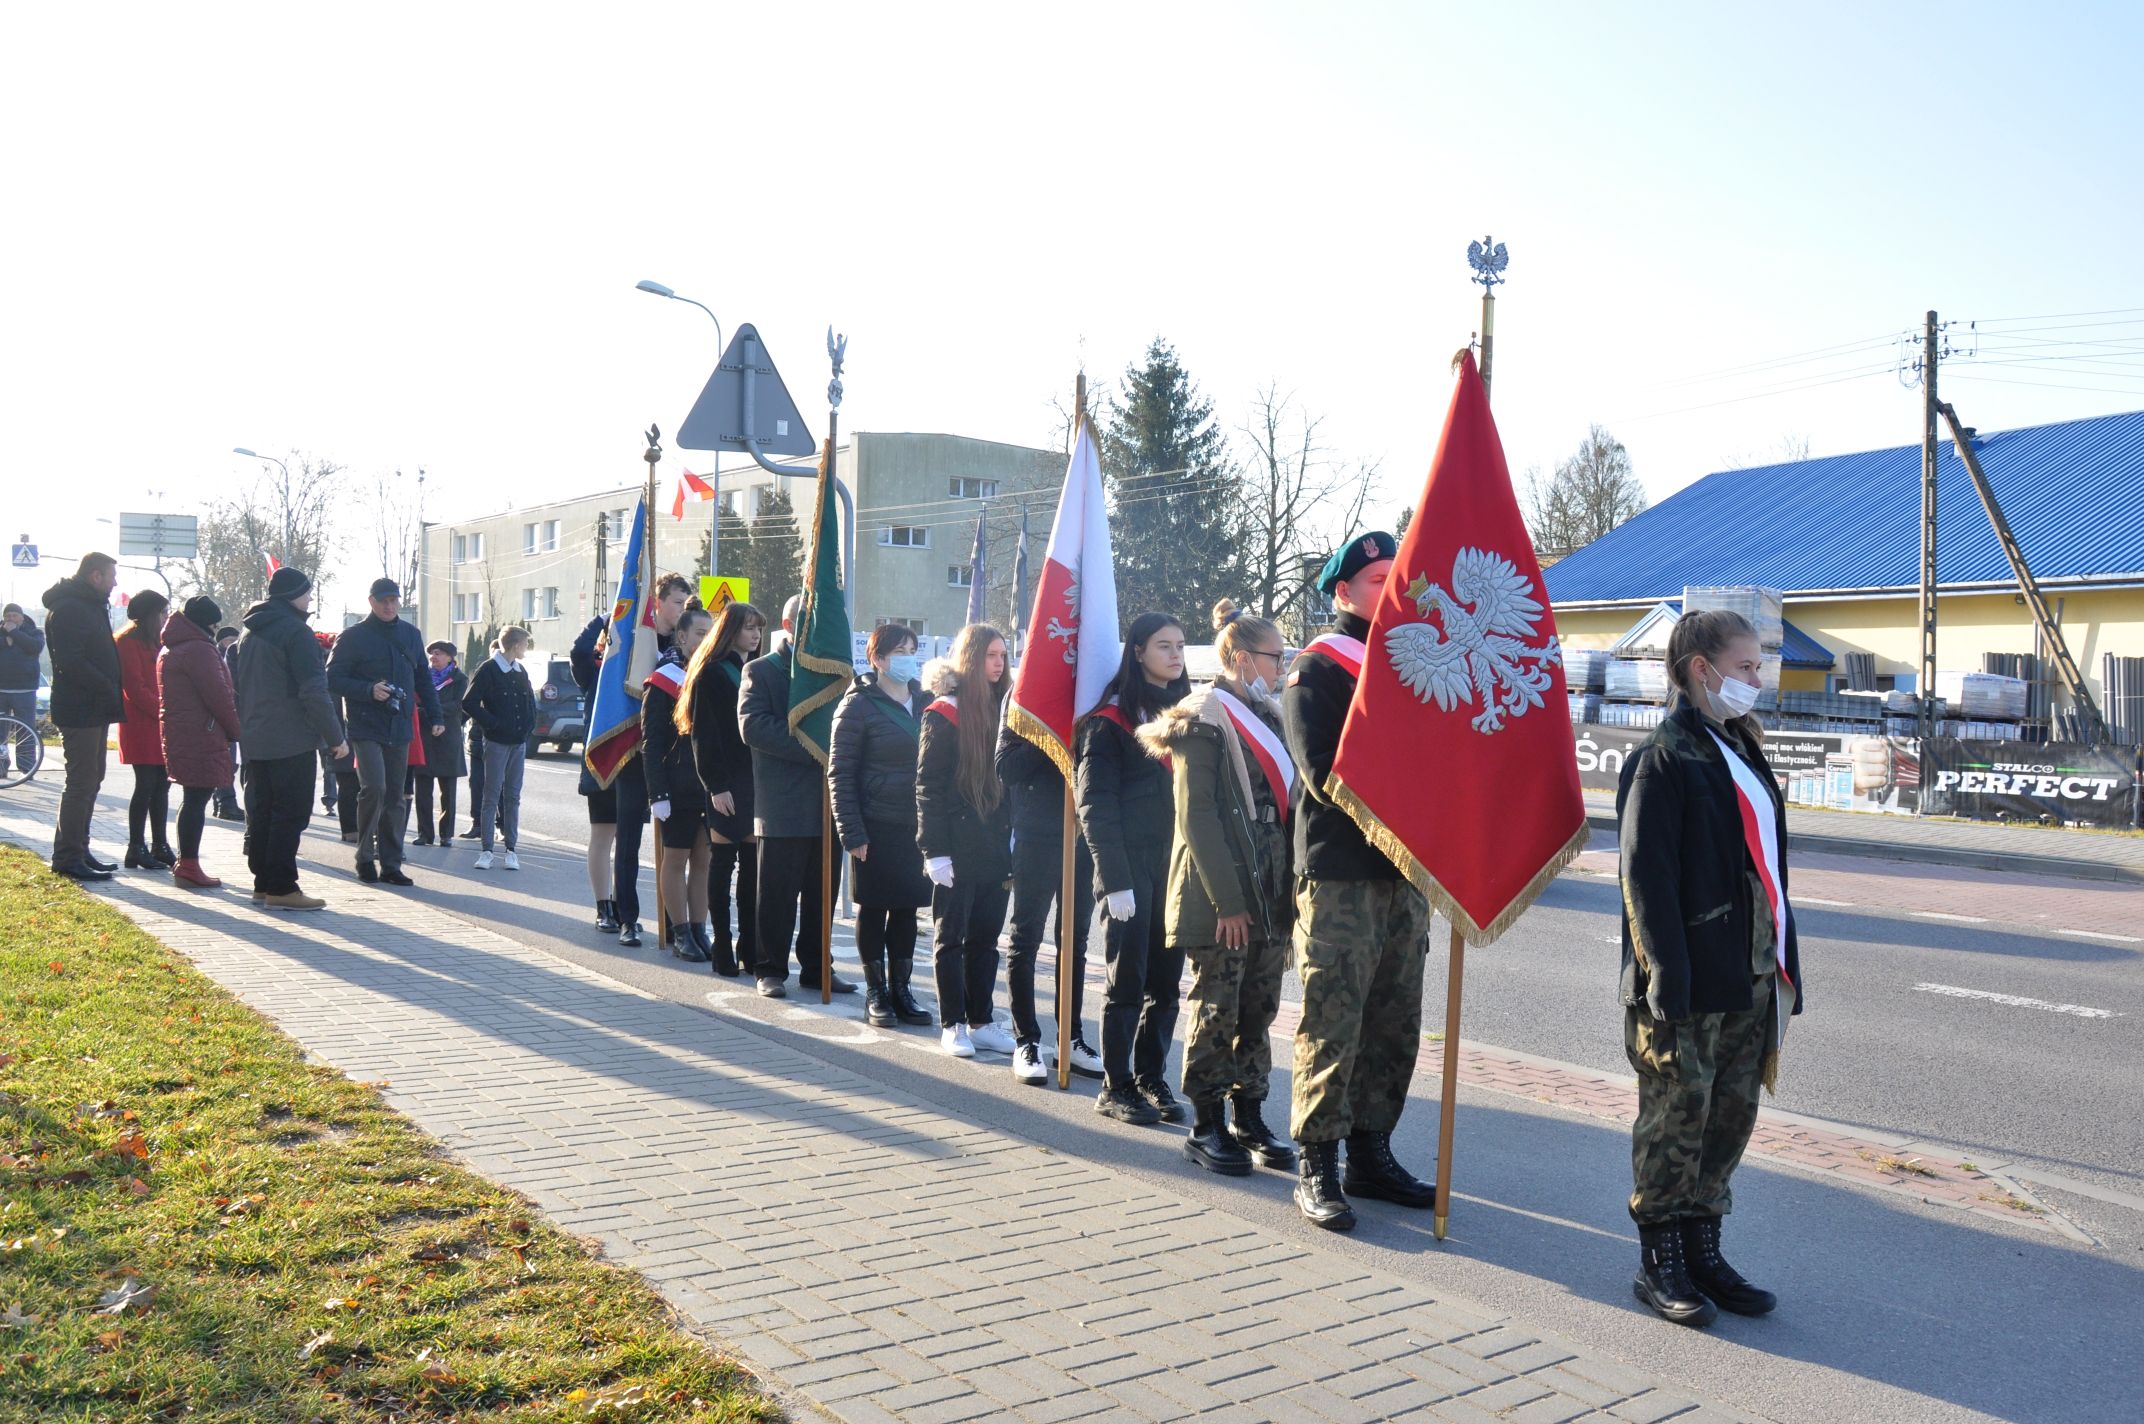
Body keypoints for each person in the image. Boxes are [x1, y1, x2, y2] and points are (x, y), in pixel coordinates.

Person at [1619, 608, 1801, 1328]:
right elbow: (1646, 878)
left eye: (1759, 667)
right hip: (1686, 983)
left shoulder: (1740, 748)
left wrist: (1784, 963)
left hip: (1750, 975)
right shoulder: (1665, 756)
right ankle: (1659, 1259)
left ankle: (1703, 1247)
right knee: (1676, 1119)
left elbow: (1768, 874)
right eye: (1747, 667)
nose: (1758, 680)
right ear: (1702, 668)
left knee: (1729, 1118)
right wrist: (1665, 973)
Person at [1281, 530, 1435, 1231]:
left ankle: (1372, 1152)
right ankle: (1317, 1161)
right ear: (1344, 592)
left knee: (1394, 1020)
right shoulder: (1318, 670)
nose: (1393, 591)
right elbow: (1320, 774)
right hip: (1342, 874)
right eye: (1379, 580)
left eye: (1398, 578)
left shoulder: (1413, 662)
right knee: (1333, 1020)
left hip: (1404, 876)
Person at [1136, 600, 1298, 1175]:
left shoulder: (1272, 715)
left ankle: (1249, 1115)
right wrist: (1229, 902)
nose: (1281, 666)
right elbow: (1197, 816)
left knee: (1259, 1009)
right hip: (1220, 895)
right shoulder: (1202, 715)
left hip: (1270, 891)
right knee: (1217, 1007)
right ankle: (1206, 1124)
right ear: (1239, 658)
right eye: (1275, 656)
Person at [1076, 611, 1191, 1125]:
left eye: (1181, 645)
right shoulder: (1110, 721)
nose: (1175, 654)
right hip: (1129, 866)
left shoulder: (1192, 715)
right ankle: (1116, 1084)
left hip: (1177, 866)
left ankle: (1150, 1077)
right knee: (1128, 980)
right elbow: (1094, 804)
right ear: (1138, 652)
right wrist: (1114, 880)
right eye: (1163, 645)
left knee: (1166, 984)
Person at [738, 595, 856, 999]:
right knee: (776, 895)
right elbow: (753, 726)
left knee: (822, 894)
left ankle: (818, 967)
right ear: (789, 627)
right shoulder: (762, 670)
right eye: (809, 625)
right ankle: (769, 968)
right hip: (783, 803)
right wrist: (811, 747)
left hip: (828, 803)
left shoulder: (834, 677)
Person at [917, 625, 1022, 1065]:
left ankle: (981, 1020)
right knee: (951, 937)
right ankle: (953, 1023)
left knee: (986, 938)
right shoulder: (944, 711)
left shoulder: (1008, 709)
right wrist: (933, 850)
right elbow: (928, 786)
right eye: (990, 656)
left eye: (1002, 655)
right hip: (956, 845)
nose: (998, 664)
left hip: (996, 845)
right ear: (970, 659)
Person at [829, 623, 935, 1030]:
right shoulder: (858, 704)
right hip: (874, 823)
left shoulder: (926, 703)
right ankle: (876, 992)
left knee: (907, 909)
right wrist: (851, 831)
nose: (909, 657)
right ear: (877, 659)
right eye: (900, 651)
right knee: (873, 908)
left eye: (912, 648)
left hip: (916, 825)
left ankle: (902, 989)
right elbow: (840, 773)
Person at [997, 717, 1104, 1081]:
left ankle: (1070, 1038)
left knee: (1074, 941)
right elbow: (1006, 768)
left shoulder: (1095, 689)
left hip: (1083, 835)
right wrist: (1050, 736)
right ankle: (1026, 1040)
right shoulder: (1026, 699)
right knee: (1025, 937)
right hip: (1037, 834)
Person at [235, 565, 347, 910]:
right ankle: (282, 887)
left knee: (263, 811)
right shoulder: (296, 633)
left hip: (255, 736)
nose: (310, 598)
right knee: (291, 812)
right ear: (293, 595)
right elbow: (314, 690)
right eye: (307, 592)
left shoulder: (249, 633)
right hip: (291, 737)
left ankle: (263, 883)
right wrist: (335, 736)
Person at [326, 577, 442, 886]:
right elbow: (333, 678)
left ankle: (391, 864)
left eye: (394, 600)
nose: (389, 606)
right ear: (371, 602)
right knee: (374, 789)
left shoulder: (411, 635)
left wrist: (436, 715)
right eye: (383, 601)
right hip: (365, 724)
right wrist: (367, 689)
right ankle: (365, 857)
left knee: (396, 796)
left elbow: (423, 679)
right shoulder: (353, 637)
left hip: (400, 724)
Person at [609, 572, 693, 947]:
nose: (682, 609)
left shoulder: (685, 643)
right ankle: (627, 916)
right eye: (677, 602)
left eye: (685, 603)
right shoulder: (633, 637)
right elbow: (591, 663)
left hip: (670, 757)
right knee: (628, 838)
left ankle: (677, 926)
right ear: (656, 602)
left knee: (676, 847)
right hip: (632, 748)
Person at [683, 601, 765, 980]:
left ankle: (750, 946)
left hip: (754, 784)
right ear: (730, 631)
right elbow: (704, 735)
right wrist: (715, 785)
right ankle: (722, 946)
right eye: (749, 627)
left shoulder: (755, 672)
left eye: (758, 629)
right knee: (723, 864)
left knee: (752, 870)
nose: (755, 635)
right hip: (725, 784)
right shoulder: (713, 675)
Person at [43, 553, 124, 880]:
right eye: (111, 575)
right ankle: (67, 856)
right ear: (95, 575)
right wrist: (106, 685)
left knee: (91, 780)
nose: (115, 582)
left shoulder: (88, 604)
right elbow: (71, 662)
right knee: (81, 782)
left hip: (93, 707)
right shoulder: (70, 608)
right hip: (80, 708)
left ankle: (80, 848)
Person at [645, 605, 716, 962]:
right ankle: (680, 932)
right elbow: (652, 741)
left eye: (711, 632)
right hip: (676, 786)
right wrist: (657, 792)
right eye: (700, 633)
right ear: (682, 636)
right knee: (676, 858)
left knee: (703, 860)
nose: (706, 639)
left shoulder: (714, 674)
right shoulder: (664, 679)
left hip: (708, 786)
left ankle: (700, 929)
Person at [157, 595, 241, 889]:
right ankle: (188, 865)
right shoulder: (199, 650)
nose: (216, 629)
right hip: (202, 733)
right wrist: (236, 730)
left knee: (193, 797)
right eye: (214, 623)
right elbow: (218, 695)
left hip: (184, 731)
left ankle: (186, 862)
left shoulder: (172, 647)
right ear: (206, 623)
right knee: (196, 799)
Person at [465, 625, 536, 872]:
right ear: (516, 645)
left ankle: (511, 850)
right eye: (525, 644)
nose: (526, 648)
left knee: (513, 796)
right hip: (496, 742)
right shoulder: (489, 669)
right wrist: (492, 724)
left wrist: (528, 729)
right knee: (491, 794)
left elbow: (529, 703)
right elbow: (469, 702)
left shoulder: (519, 670)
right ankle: (486, 850)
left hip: (518, 743)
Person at [114, 588, 174, 869]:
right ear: (150, 614)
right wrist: (162, 710)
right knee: (146, 784)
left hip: (159, 721)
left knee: (161, 785)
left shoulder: (157, 642)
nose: (166, 617)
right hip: (141, 723)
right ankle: (135, 845)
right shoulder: (128, 642)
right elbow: (134, 687)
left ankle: (159, 843)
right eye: (162, 612)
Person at [570, 613, 618, 931]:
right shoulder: (595, 672)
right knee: (603, 835)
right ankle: (604, 907)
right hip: (602, 761)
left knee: (628, 840)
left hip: (636, 762)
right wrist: (606, 617)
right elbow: (579, 650)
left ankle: (624, 906)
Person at [412, 641, 468, 846]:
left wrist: (429, 709)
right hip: (424, 736)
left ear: (450, 658)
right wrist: (426, 711)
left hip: (447, 738)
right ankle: (425, 834)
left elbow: (456, 705)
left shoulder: (459, 679)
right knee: (423, 789)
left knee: (448, 791)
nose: (433, 657)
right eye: (432, 654)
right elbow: (414, 700)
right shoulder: (422, 676)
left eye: (438, 654)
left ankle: (446, 834)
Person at [0, 602, 46, 782]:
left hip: (25, 690)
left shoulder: (34, 632)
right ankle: (1, 767)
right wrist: (5, 640)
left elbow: (34, 647)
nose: (10, 619)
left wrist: (14, 634)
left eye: (14, 616)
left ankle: (26, 767)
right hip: (1, 689)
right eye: (7, 616)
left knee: (25, 730)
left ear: (21, 617)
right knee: (0, 732)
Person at [212, 626, 245, 821]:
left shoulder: (226, 656)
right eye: (231, 639)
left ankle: (222, 802)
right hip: (225, 717)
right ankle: (226, 803)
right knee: (227, 763)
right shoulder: (219, 657)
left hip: (232, 715)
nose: (233, 642)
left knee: (230, 764)